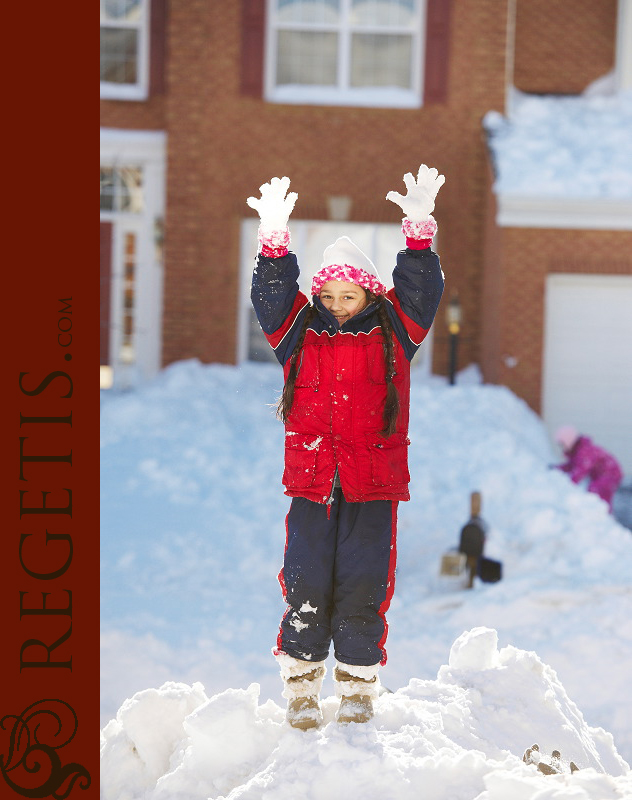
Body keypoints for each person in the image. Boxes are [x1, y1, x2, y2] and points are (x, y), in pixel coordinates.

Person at [248, 165, 445, 729]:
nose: (337, 303)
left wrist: (418, 232)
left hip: (371, 484)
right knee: (305, 581)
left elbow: (421, 291)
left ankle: (358, 686)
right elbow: (271, 299)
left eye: (348, 293)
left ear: (368, 291)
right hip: (313, 483)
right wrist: (274, 244)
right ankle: (303, 686)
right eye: (328, 294)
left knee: (364, 583)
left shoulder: (395, 334)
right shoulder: (298, 337)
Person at [554, 425, 623, 511]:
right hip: (602, 475)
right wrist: (557, 468)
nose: (562, 447)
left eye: (562, 444)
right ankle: (599, 513)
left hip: (610, 474)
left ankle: (602, 515)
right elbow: (571, 466)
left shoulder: (585, 451)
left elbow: (580, 471)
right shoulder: (578, 451)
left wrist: (567, 486)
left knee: (597, 492)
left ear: (569, 441)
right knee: (595, 491)